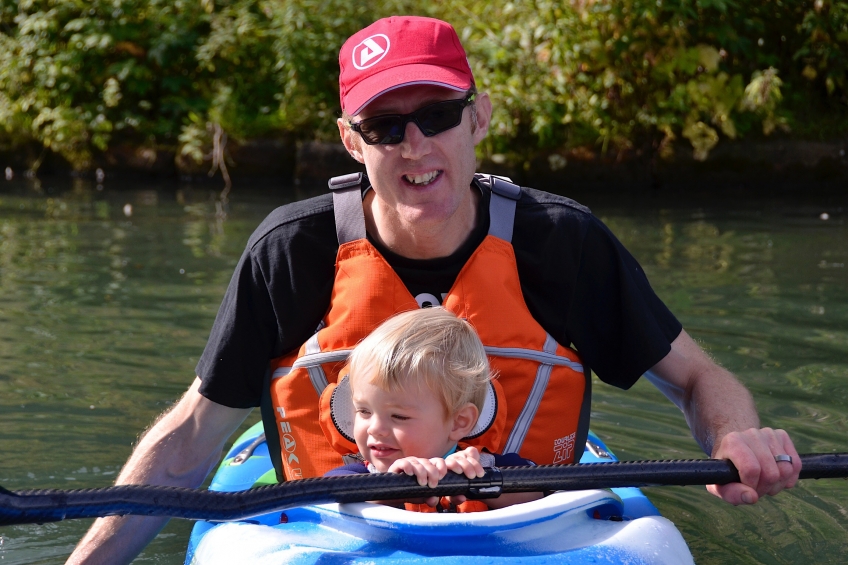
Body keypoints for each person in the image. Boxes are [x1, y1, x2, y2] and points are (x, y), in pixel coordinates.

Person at [67, 15, 802, 565]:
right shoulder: (291, 250)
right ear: (351, 141)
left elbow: (697, 378)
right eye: (385, 127)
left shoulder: (562, 241)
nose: (414, 144)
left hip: (531, 525)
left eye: (438, 115)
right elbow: (192, 438)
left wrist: (732, 437)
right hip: (333, 525)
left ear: (478, 117)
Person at [324, 307, 542, 512]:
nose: (374, 428)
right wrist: (391, 489)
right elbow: (326, 493)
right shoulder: (355, 476)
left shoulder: (483, 467)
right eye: (364, 412)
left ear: (459, 422)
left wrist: (473, 481)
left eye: (398, 416)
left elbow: (542, 491)